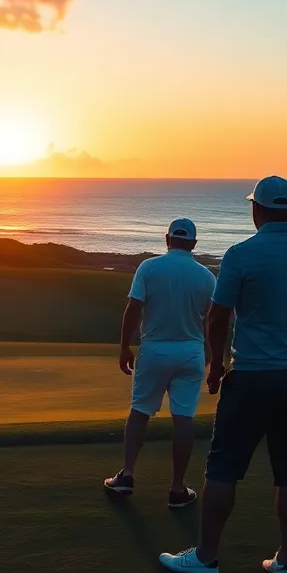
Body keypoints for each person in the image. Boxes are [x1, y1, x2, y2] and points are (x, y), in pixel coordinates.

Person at [159, 176, 287, 573]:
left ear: (256, 210)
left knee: (224, 467)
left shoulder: (241, 254)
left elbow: (218, 316)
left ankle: (207, 558)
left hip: (254, 378)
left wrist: (216, 365)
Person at [104, 218, 217, 508]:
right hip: (191, 352)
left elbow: (133, 308)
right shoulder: (207, 277)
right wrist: (216, 358)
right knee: (183, 418)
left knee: (140, 411)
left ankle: (127, 476)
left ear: (167, 239)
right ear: (193, 243)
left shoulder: (149, 268)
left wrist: (124, 346)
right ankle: (177, 490)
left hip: (154, 350)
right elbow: (213, 321)